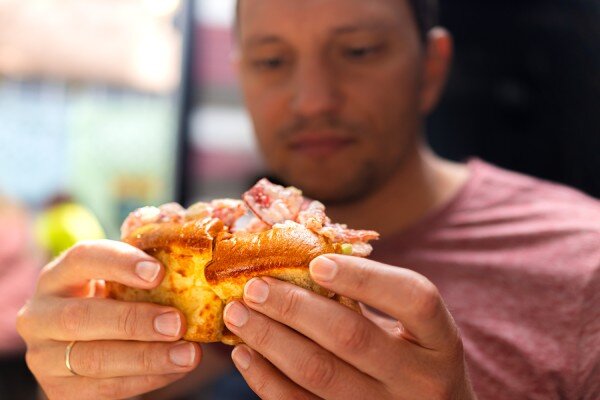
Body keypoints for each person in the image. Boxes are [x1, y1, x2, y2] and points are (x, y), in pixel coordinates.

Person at [16, 0, 600, 399]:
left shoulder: (582, 264)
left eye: (359, 51)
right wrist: (67, 376)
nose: (312, 98)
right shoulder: (192, 263)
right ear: (242, 76)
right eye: (272, 61)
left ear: (431, 68)